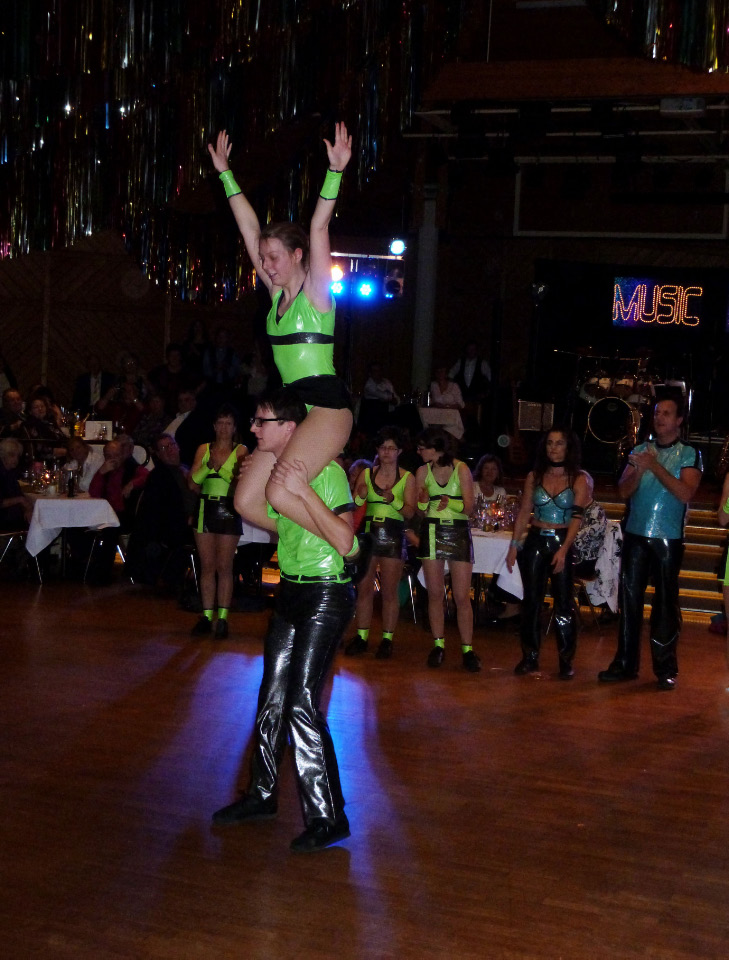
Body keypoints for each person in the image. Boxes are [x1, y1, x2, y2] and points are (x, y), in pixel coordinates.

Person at [211, 388, 356, 853]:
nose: (253, 428)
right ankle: (261, 795)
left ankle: (329, 817)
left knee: (302, 705)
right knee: (271, 698)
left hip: (326, 593)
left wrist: (303, 492)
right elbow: (273, 519)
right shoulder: (277, 473)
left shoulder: (327, 471)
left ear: (291, 428)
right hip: (291, 590)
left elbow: (347, 543)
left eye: (262, 421)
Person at [208, 122, 355, 543]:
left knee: (278, 490)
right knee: (245, 501)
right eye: (263, 258)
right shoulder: (276, 299)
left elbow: (319, 226)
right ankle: (315, 539)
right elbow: (249, 229)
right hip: (290, 406)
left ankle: (347, 543)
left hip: (326, 407)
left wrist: (335, 171)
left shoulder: (318, 295)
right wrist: (225, 174)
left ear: (297, 255)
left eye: (274, 258)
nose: (266, 265)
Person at [598, 396, 702, 690]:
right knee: (629, 601)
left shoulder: (689, 453)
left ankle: (665, 667)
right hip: (636, 534)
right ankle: (625, 663)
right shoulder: (639, 450)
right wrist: (641, 468)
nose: (660, 418)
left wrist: (654, 466)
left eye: (667, 413)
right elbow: (623, 492)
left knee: (665, 603)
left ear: (679, 420)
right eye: (657, 413)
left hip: (668, 538)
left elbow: (685, 493)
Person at [506, 428, 591, 679]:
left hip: (562, 538)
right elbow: (524, 511)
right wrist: (514, 545)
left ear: (568, 447)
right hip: (535, 539)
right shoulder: (534, 476)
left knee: (564, 602)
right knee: (531, 601)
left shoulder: (578, 478)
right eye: (550, 443)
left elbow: (577, 517)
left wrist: (564, 550)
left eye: (559, 443)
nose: (554, 448)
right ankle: (529, 656)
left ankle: (566, 660)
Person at [345, 426, 416, 659]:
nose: (386, 452)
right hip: (369, 533)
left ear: (399, 451)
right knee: (364, 588)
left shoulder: (407, 477)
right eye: (383, 447)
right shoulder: (366, 474)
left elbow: (410, 512)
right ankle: (362, 637)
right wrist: (361, 496)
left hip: (393, 534)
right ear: (377, 449)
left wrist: (393, 500)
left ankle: (387, 639)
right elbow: (354, 504)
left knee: (389, 591)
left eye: (391, 448)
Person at [414, 427, 479, 672]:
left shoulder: (461, 468)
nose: (419, 451)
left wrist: (449, 502)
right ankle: (438, 645)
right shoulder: (422, 472)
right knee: (435, 594)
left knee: (461, 596)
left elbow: (469, 507)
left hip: (458, 531)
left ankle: (468, 649)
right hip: (432, 530)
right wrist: (423, 502)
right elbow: (420, 511)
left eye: (422, 447)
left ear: (435, 448)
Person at [188, 404, 247, 638]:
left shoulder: (241, 450)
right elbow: (192, 483)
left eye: (228, 423)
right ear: (214, 426)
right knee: (207, 566)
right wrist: (208, 467)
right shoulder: (204, 449)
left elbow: (241, 483)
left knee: (225, 566)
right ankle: (206, 616)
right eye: (220, 423)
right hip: (205, 507)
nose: (223, 428)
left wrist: (219, 469)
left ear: (234, 428)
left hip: (229, 508)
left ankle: (222, 618)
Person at [127, 433, 196, 589]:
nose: (170, 450)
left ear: (178, 447)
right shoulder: (159, 476)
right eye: (164, 448)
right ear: (158, 454)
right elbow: (159, 511)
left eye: (171, 445)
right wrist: (189, 518)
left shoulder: (188, 469)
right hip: (172, 530)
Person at [0, 437, 32, 531]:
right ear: (3, 455)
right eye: (11, 455)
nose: (16, 459)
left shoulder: (11, 472)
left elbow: (17, 493)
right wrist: (20, 500)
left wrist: (27, 508)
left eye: (17, 456)